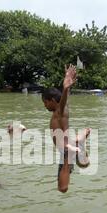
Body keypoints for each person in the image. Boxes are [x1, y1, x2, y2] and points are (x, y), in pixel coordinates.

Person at [42, 65, 91, 193]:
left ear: (52, 100)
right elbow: (65, 100)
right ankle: (78, 141)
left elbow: (62, 102)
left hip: (65, 151)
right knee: (84, 164)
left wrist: (65, 88)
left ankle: (76, 143)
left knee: (62, 188)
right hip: (66, 148)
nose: (45, 106)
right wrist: (67, 83)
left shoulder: (59, 110)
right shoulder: (63, 111)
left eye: (45, 102)